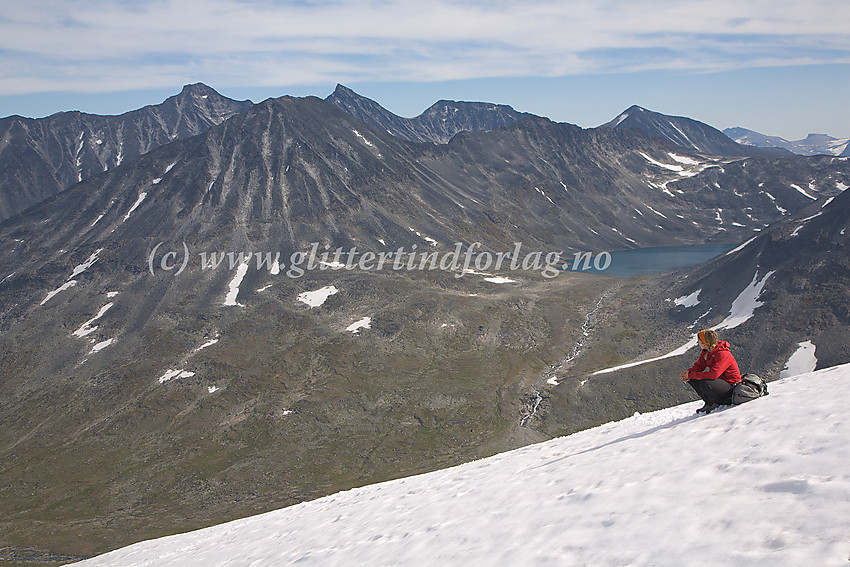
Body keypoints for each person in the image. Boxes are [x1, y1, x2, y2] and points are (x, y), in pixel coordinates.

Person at [680, 329, 742, 414]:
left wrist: (691, 374)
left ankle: (717, 402)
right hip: (721, 383)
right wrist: (688, 374)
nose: (698, 343)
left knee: (705, 382)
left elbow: (714, 374)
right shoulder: (707, 351)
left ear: (705, 343)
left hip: (732, 387)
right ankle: (709, 403)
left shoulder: (722, 354)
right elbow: (699, 366)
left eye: (699, 341)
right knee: (693, 378)